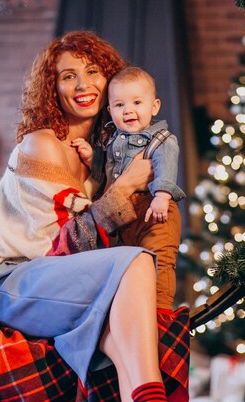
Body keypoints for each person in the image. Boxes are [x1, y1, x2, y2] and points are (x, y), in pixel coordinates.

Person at [0, 31, 211, 402]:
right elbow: (66, 245)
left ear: (111, 80)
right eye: (67, 75)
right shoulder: (43, 144)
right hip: (13, 279)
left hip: (65, 287)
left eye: (92, 72)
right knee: (133, 263)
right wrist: (125, 191)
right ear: (51, 87)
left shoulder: (104, 151)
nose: (82, 85)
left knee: (133, 287)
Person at [72, 66, 186, 310]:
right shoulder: (114, 139)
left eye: (137, 102)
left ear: (154, 107)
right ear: (110, 110)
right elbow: (107, 170)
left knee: (159, 262)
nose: (128, 110)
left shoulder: (161, 139)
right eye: (120, 105)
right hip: (123, 215)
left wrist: (162, 196)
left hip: (154, 212)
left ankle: (160, 311)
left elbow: (166, 165)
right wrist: (92, 157)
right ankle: (133, 313)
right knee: (128, 268)